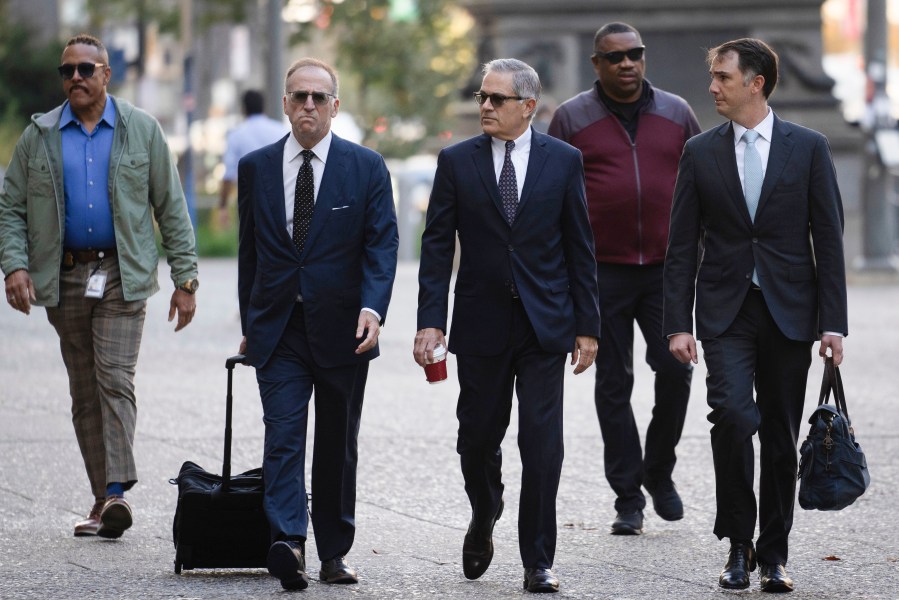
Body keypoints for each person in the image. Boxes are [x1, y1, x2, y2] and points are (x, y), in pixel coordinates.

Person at [663, 38, 847, 593]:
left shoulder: (808, 147)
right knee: (735, 417)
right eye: (713, 76)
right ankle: (737, 544)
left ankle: (774, 555)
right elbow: (681, 245)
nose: (713, 86)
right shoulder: (700, 152)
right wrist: (677, 322)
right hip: (725, 310)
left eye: (722, 77)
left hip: (791, 311)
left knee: (781, 436)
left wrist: (833, 323)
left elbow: (829, 239)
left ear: (756, 83)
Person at [0, 34, 198, 539]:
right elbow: (10, 207)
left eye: (87, 69)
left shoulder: (142, 131)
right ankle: (101, 499)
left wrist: (185, 278)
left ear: (107, 75)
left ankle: (116, 492)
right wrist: (15, 267)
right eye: (67, 71)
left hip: (122, 274)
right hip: (63, 276)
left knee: (115, 378)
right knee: (84, 391)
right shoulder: (39, 136)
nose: (76, 79)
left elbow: (170, 206)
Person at [414, 58, 601, 594]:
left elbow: (579, 247)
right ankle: (486, 505)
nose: (486, 107)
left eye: (497, 99)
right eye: (482, 98)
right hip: (480, 323)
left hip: (545, 326)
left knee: (542, 445)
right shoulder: (456, 161)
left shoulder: (564, 161)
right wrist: (431, 321)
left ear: (528, 106)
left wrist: (587, 326)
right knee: (476, 438)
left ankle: (537, 559)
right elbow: (435, 247)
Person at [237, 57, 398, 591]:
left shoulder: (367, 167)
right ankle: (289, 541)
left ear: (335, 105)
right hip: (279, 329)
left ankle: (333, 551)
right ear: (285, 104)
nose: (308, 105)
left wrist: (374, 309)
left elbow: (382, 245)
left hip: (345, 330)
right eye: (298, 96)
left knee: (336, 443)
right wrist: (251, 321)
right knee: (283, 434)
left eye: (318, 97)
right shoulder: (257, 167)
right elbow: (249, 254)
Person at [548, 22, 700, 536]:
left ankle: (658, 469)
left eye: (635, 54)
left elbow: (703, 181)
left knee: (676, 372)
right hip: (600, 272)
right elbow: (553, 196)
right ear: (598, 65)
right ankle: (628, 497)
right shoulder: (572, 118)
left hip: (664, 271)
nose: (627, 64)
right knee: (614, 384)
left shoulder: (678, 112)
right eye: (615, 58)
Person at [217, 89, 286, 228]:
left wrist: (223, 206)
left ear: (243, 108)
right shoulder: (281, 130)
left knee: (250, 245)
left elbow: (229, 174)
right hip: (281, 200)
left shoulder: (236, 135)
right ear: (263, 106)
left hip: (250, 202)